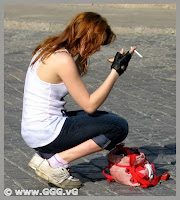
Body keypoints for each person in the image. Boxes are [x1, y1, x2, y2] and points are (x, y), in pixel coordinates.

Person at [21, 11, 136, 189]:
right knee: (118, 126)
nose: (98, 49)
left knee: (105, 117)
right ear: (85, 37)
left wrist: (91, 59)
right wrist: (116, 72)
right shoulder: (63, 59)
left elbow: (68, 77)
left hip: (35, 129)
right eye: (97, 44)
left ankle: (47, 155)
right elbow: (89, 105)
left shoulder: (49, 48)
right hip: (46, 131)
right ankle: (55, 163)